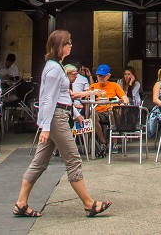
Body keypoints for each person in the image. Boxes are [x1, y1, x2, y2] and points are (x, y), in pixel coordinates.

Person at [14, 30, 111, 219]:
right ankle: (89, 204)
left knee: (40, 162)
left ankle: (21, 203)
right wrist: (46, 126)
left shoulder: (56, 66)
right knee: (73, 159)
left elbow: (60, 96)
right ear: (60, 46)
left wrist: (72, 114)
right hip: (56, 118)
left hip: (58, 115)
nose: (71, 46)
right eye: (68, 43)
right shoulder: (53, 69)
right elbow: (48, 98)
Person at [88, 64, 127, 154]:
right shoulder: (93, 86)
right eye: (99, 75)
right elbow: (88, 99)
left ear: (108, 76)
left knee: (114, 113)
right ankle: (103, 141)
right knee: (92, 117)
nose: (100, 78)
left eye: (103, 76)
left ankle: (114, 143)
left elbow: (125, 98)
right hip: (98, 111)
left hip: (110, 110)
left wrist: (122, 100)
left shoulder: (114, 85)